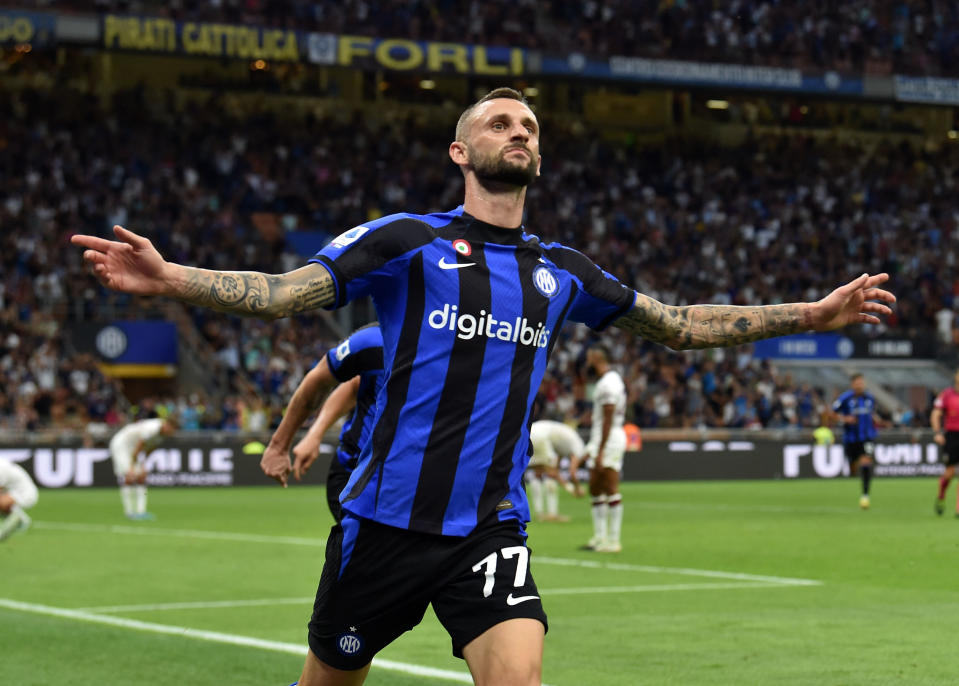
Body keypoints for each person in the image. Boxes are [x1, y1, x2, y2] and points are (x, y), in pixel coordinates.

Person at [72, 87, 895, 686]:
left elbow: (676, 321)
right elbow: (286, 295)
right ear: (461, 152)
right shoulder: (405, 241)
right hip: (384, 523)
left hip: (488, 528)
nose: (520, 131)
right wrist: (174, 277)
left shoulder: (560, 271)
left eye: (529, 126)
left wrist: (812, 315)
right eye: (500, 122)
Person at [266, 324, 384, 523]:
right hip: (357, 474)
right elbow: (341, 384)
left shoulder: (450, 346)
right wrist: (311, 435)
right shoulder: (376, 341)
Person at [578, 344, 628, 553]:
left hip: (610, 439)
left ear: (597, 359)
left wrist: (600, 449)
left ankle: (614, 541)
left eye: (589, 360)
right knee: (595, 487)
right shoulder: (607, 381)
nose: (587, 364)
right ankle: (599, 537)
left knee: (609, 485)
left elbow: (608, 418)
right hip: (600, 438)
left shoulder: (609, 384)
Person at [108, 416, 178, 520]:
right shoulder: (153, 428)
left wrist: (144, 465)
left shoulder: (162, 435)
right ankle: (129, 512)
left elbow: (150, 449)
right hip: (122, 444)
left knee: (141, 478)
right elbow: (139, 445)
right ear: (167, 425)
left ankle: (141, 511)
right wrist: (132, 464)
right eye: (172, 429)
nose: (172, 432)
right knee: (130, 476)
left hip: (133, 449)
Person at [832, 374, 881, 509]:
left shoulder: (870, 398)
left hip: (868, 437)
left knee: (866, 462)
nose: (860, 385)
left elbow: (871, 413)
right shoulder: (845, 398)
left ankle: (865, 496)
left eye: (861, 383)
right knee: (853, 466)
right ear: (852, 384)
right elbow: (831, 414)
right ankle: (853, 469)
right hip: (851, 438)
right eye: (857, 383)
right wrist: (844, 419)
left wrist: (875, 419)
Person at [527, 419, 584, 522]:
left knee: (538, 473)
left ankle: (539, 514)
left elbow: (557, 461)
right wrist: (575, 488)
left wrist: (554, 472)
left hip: (530, 433)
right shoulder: (579, 447)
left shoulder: (566, 441)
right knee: (550, 474)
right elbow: (572, 472)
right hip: (540, 437)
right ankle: (552, 514)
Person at [931, 369, 959, 516]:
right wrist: (937, 433)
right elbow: (936, 414)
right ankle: (941, 495)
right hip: (952, 436)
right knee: (949, 473)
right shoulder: (947, 394)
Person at [0, 457, 38, 542]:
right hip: (13, 492)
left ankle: (18, 518)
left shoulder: (1, 468)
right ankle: (21, 519)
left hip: (25, 494)